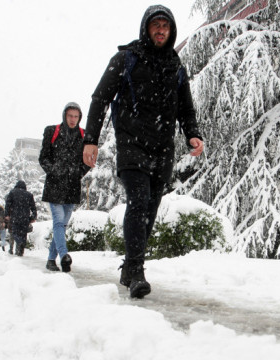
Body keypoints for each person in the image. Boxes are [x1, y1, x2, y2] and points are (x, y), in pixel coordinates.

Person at [83, 5, 204, 298]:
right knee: (138, 200)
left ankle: (129, 266)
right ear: (146, 28)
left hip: (163, 148)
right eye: (156, 25)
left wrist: (193, 135)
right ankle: (136, 270)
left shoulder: (176, 67)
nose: (161, 30)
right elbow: (100, 98)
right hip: (131, 143)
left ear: (171, 31)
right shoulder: (127, 58)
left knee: (149, 207)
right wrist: (91, 139)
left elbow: (186, 107)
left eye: (166, 25)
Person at [39, 102, 91, 272]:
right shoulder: (52, 131)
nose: (73, 120)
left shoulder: (84, 136)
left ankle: (50, 260)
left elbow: (88, 160)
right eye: (70, 116)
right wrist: (54, 171)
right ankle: (64, 256)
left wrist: (78, 173)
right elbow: (43, 157)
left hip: (72, 187)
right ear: (64, 115)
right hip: (54, 185)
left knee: (61, 225)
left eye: (76, 117)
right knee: (59, 221)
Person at [4, 180, 37, 256]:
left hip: (15, 216)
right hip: (25, 218)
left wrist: (7, 215)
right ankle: (20, 252)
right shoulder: (29, 195)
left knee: (15, 232)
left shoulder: (12, 192)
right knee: (23, 234)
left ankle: (19, 242)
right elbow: (33, 207)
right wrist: (33, 217)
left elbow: (7, 205)